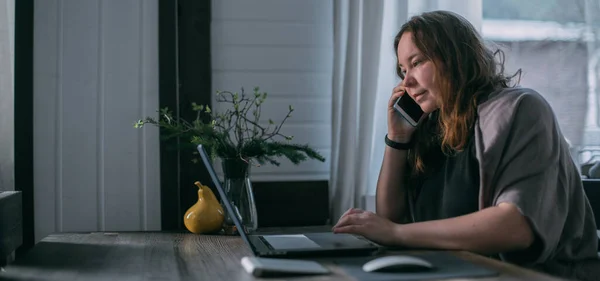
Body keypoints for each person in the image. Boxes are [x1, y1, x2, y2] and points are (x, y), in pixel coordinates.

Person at [332, 10, 600, 281]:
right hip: (457, 271)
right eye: (402, 70)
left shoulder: (521, 109)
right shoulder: (431, 124)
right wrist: (397, 139)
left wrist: (396, 234)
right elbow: (392, 217)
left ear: (455, 58)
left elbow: (516, 226)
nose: (407, 82)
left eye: (417, 62)